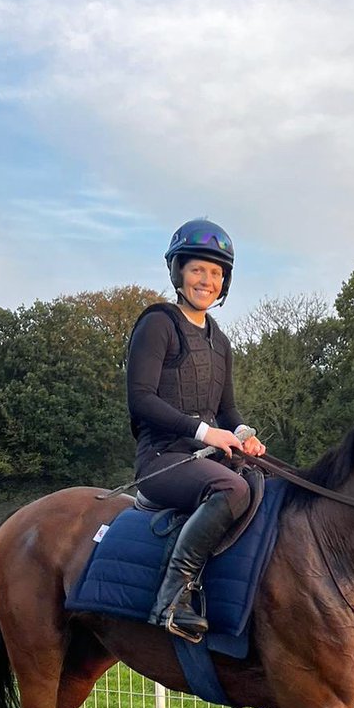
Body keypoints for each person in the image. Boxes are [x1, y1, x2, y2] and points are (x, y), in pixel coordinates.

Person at [125, 218, 266, 643]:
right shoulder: (158, 324)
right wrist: (206, 434)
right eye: (198, 269)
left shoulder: (220, 341)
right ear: (178, 272)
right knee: (233, 489)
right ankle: (172, 600)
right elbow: (141, 399)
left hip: (204, 458)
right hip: (161, 459)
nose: (207, 280)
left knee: (263, 481)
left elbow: (227, 411)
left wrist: (243, 433)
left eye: (216, 272)